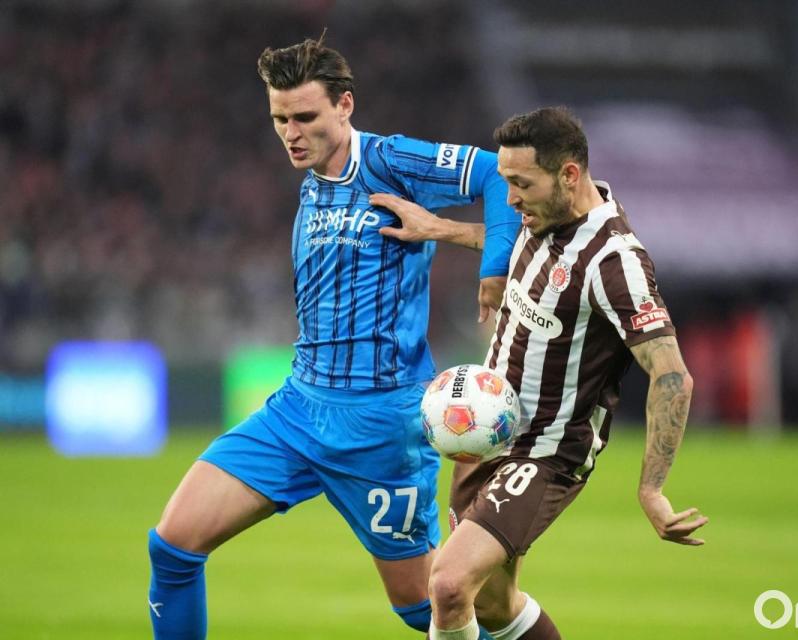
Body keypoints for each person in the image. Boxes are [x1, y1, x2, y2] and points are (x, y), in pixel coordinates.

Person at [146, 34, 519, 638]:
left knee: (427, 606)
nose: (291, 133)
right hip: (297, 410)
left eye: (305, 117)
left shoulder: (390, 161)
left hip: (380, 425)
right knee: (173, 547)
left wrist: (494, 267)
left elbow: (498, 175)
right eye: (280, 119)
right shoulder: (314, 181)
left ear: (345, 105)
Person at [376, 106, 708, 640]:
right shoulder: (546, 218)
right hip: (485, 436)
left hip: (544, 453)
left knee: (448, 585)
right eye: (506, 181)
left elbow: (672, 376)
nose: (510, 199)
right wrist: (439, 229)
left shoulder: (615, 261)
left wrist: (652, 488)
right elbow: (517, 248)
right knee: (493, 605)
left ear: (569, 175)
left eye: (521, 184)